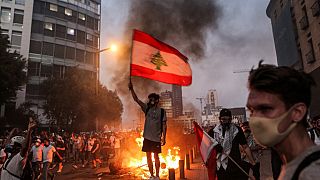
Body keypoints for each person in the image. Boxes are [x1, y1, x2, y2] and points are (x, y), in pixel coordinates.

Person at [246, 61, 320, 180]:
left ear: (297, 112)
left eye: (265, 108)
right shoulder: (291, 165)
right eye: (251, 111)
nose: (255, 118)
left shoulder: (312, 173)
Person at [129, 81, 167, 180]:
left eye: (152, 100)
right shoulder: (147, 109)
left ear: (157, 101)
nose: (150, 101)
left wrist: (164, 138)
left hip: (156, 138)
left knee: (156, 157)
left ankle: (157, 175)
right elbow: (136, 100)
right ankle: (151, 175)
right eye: (149, 100)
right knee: (148, 157)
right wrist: (132, 89)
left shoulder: (162, 111)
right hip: (147, 138)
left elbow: (164, 125)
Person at [208, 109, 256, 180]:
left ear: (231, 119)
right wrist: (215, 147)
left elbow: (245, 147)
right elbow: (208, 147)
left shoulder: (237, 130)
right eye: (223, 119)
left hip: (235, 165)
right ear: (220, 119)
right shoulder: (213, 132)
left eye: (228, 119)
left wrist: (253, 164)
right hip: (221, 167)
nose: (226, 122)